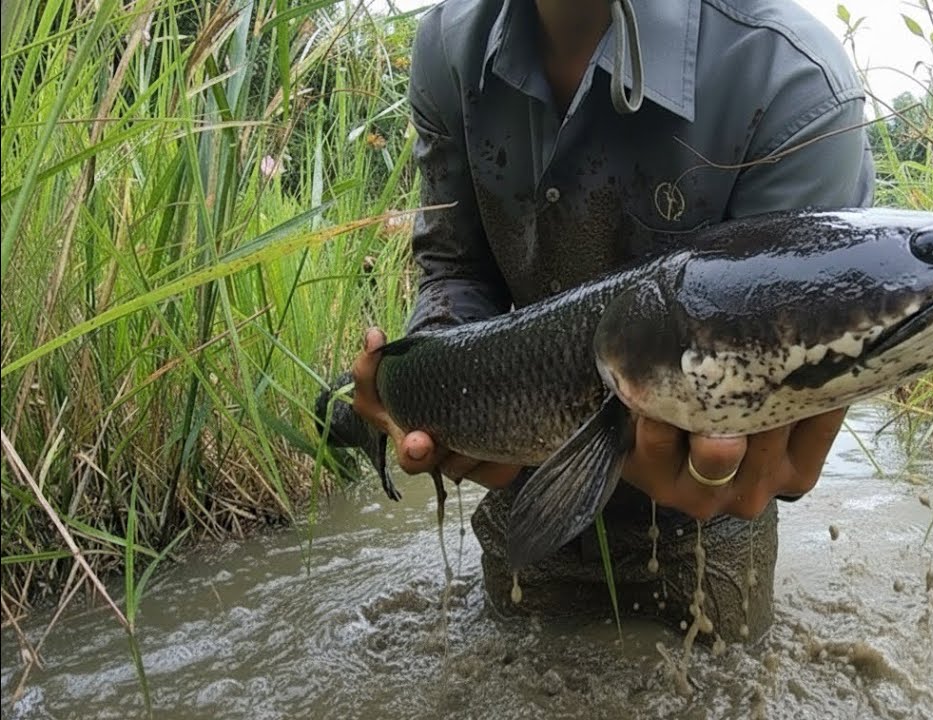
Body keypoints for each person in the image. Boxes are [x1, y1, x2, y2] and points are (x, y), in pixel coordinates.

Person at [347, 0, 875, 642]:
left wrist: (770, 459)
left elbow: (792, 389)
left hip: (712, 526)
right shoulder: (444, 47)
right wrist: (431, 384)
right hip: (526, 485)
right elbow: (455, 267)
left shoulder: (793, 83)